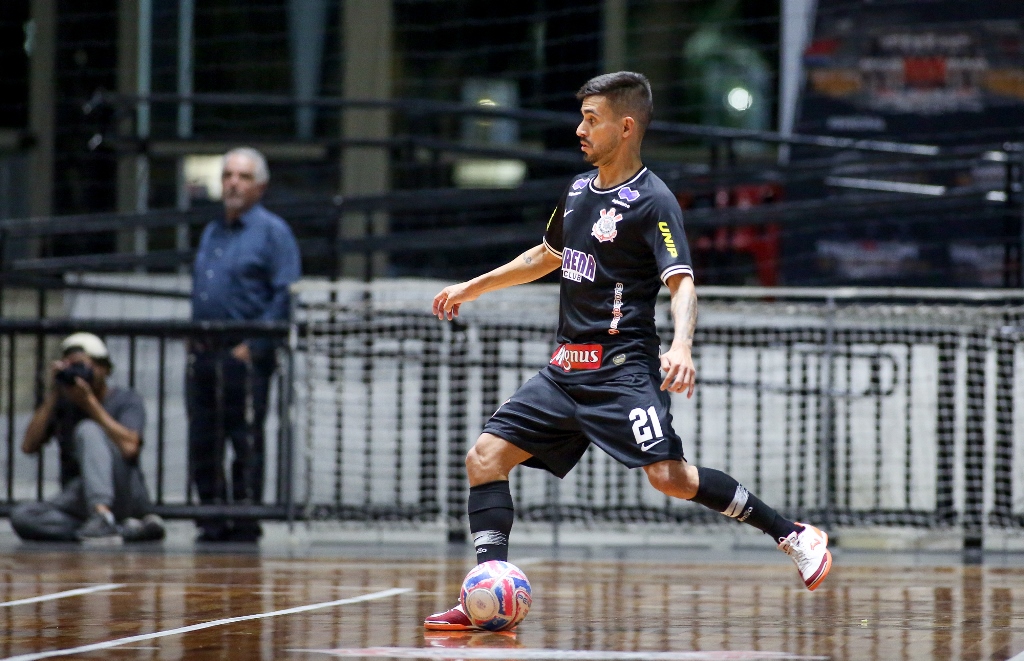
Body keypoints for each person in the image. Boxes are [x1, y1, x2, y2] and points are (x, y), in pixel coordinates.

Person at [425, 72, 831, 631]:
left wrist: (682, 346)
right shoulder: (575, 191)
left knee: (669, 477)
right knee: (484, 458)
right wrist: (473, 286)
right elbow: (546, 256)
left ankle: (793, 533)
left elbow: (682, 282)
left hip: (621, 371)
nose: (579, 129)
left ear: (626, 125)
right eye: (582, 118)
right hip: (565, 370)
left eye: (591, 119)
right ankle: (487, 595)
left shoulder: (654, 201)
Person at [188, 147, 301, 542]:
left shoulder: (273, 232)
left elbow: (283, 295)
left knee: (245, 437)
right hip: (205, 351)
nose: (233, 182)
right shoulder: (212, 230)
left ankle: (244, 518)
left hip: (245, 354)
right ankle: (211, 518)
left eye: (242, 176)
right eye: (227, 175)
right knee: (204, 436)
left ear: (261, 186)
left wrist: (254, 344)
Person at [10, 333, 164, 543]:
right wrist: (55, 392)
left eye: (83, 366)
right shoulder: (63, 402)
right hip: (79, 495)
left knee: (88, 429)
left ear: (105, 368)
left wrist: (89, 405)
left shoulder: (126, 399)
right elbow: (28, 446)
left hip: (122, 488)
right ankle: (116, 530)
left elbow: (130, 447)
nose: (79, 374)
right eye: (71, 367)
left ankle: (103, 515)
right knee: (23, 517)